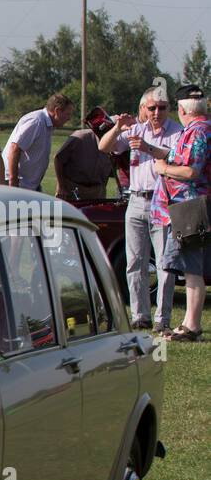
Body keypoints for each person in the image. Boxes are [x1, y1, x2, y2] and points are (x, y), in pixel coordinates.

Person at [98, 86, 184, 330]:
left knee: (165, 263)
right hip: (136, 201)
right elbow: (104, 147)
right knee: (135, 261)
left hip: (162, 202)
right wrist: (117, 127)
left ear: (168, 109)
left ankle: (162, 319)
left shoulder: (176, 131)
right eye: (152, 108)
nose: (157, 112)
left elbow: (175, 157)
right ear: (144, 109)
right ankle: (140, 315)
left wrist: (147, 148)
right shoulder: (136, 129)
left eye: (162, 108)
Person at [151, 86, 209, 343]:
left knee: (191, 266)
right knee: (189, 267)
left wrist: (163, 168)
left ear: (182, 110)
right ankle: (187, 323)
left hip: (189, 206)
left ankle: (192, 326)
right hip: (190, 207)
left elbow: (190, 171)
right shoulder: (201, 130)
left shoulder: (197, 133)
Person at [3, 93, 74, 192]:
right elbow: (15, 148)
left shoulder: (47, 125)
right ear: (57, 111)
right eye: (67, 114)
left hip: (28, 185)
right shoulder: (36, 121)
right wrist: (13, 181)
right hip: (17, 184)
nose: (69, 118)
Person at [53, 127, 113, 200]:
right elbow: (59, 159)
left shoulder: (117, 143)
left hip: (97, 191)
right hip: (73, 188)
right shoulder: (80, 136)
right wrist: (61, 186)